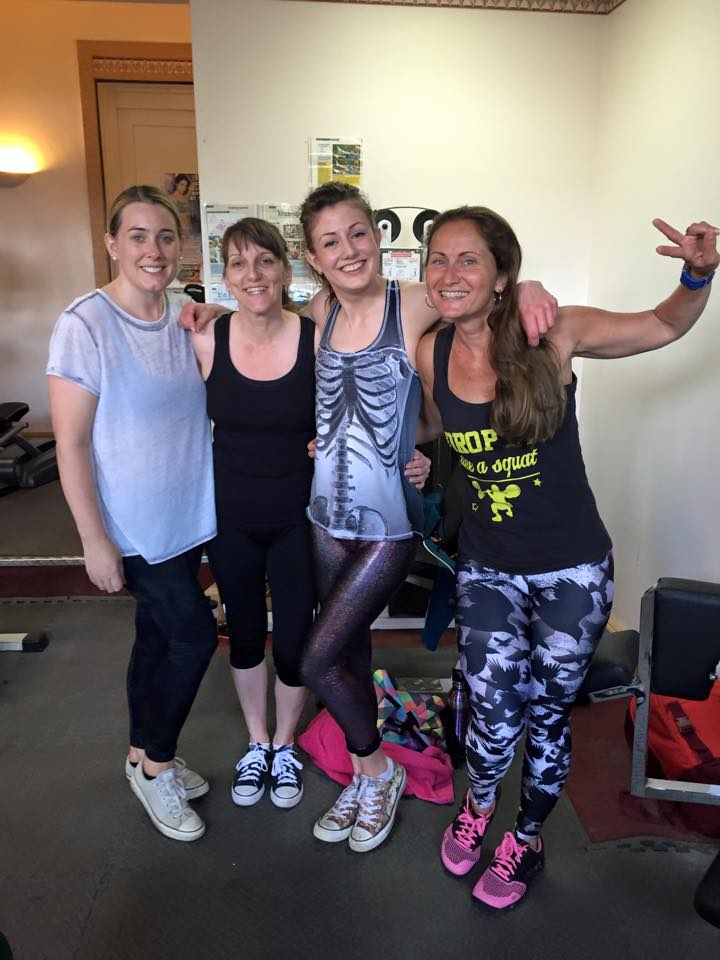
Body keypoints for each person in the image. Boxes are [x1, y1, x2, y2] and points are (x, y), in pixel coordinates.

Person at [414, 205, 718, 907]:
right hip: (489, 567)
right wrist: (406, 452)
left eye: (468, 259)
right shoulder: (430, 351)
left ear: (500, 276)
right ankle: (478, 806)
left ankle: (526, 839)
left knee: (547, 715)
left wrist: (697, 276)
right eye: (438, 259)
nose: (449, 273)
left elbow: (663, 324)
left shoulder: (552, 332)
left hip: (571, 571)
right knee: (492, 711)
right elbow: (432, 421)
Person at [295, 182, 555, 854]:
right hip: (325, 515)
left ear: (377, 236)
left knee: (315, 660)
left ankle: (379, 772)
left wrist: (526, 286)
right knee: (348, 654)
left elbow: (479, 306)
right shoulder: (319, 309)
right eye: (330, 242)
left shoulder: (412, 303)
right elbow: (262, 324)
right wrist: (206, 315)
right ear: (314, 258)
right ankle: (363, 776)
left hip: (387, 523)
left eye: (358, 233)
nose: (348, 250)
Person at [185, 215, 431, 812]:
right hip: (230, 517)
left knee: (298, 641)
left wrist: (412, 447)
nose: (253, 273)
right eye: (238, 263)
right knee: (245, 634)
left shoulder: (315, 330)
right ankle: (258, 742)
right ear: (225, 275)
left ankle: (286, 743)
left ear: (287, 267)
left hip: (301, 516)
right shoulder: (204, 339)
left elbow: (366, 398)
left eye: (265, 259)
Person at [47, 185, 218, 843]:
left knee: (156, 637)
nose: (154, 249)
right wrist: (93, 539)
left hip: (186, 517)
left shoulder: (186, 314)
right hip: (133, 527)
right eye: (139, 236)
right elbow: (69, 443)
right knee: (194, 636)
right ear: (113, 243)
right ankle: (158, 766)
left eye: (166, 236)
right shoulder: (85, 324)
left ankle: (140, 752)